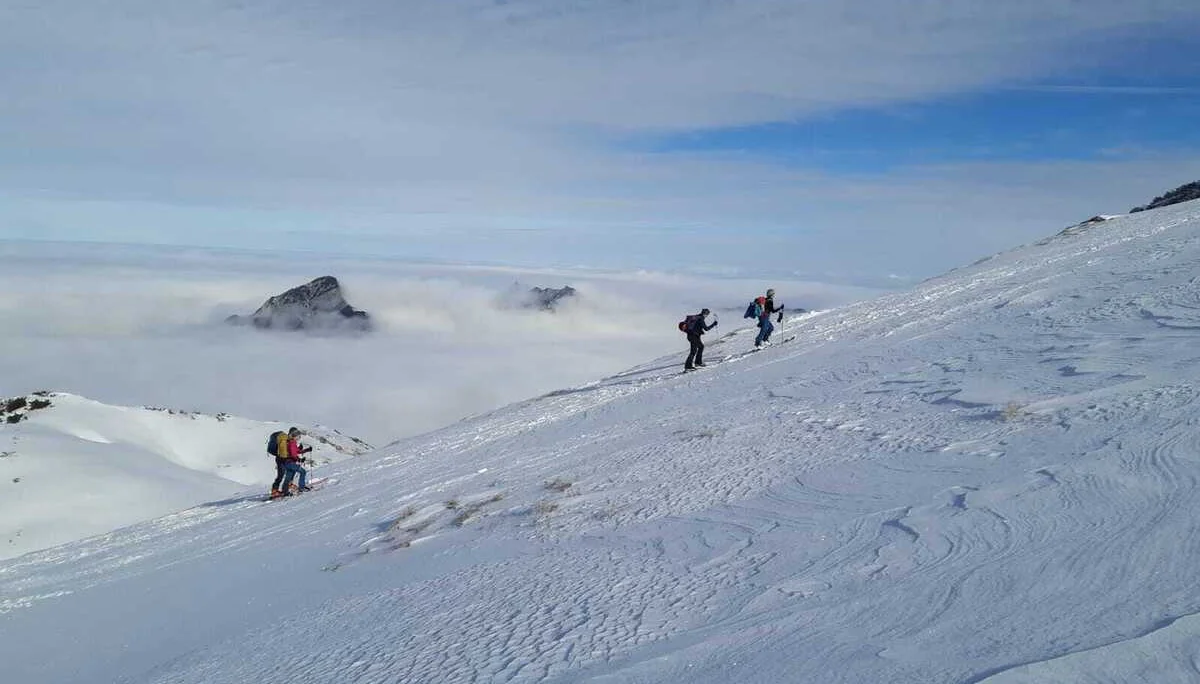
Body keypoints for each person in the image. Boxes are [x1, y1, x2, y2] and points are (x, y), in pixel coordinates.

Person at [271, 427, 312, 498]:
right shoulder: (292, 442)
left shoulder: (289, 441)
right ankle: (302, 487)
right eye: (298, 436)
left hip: (286, 462)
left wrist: (306, 450)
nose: (299, 437)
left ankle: (285, 491)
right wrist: (299, 459)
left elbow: (296, 451)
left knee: (288, 476)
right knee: (303, 472)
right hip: (290, 462)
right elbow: (293, 454)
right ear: (294, 436)